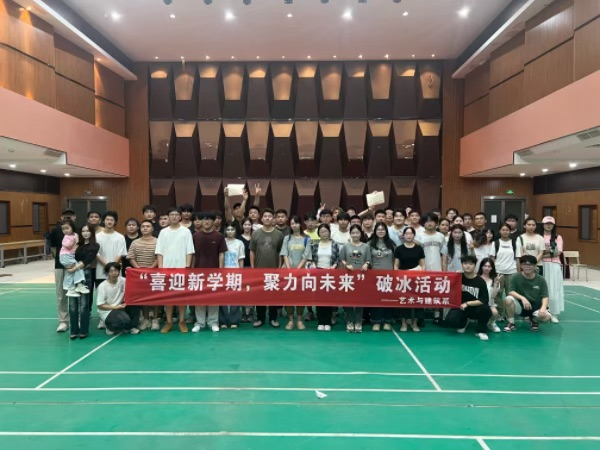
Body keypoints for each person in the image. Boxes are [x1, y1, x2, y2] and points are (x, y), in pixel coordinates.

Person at [155, 207, 195, 333]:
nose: (174, 216)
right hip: (167, 269)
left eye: (176, 214)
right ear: (168, 217)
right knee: (168, 297)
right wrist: (161, 268)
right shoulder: (163, 232)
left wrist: (187, 266)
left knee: (182, 297)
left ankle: (182, 322)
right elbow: (159, 252)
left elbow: (190, 251)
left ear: (180, 217)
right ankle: (169, 322)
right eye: (171, 214)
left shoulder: (186, 231)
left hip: (182, 268)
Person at [191, 211, 227, 332]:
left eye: (209, 219)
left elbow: (221, 254)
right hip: (198, 272)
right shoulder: (195, 236)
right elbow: (192, 254)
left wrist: (220, 270)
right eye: (204, 219)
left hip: (214, 273)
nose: (206, 222)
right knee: (199, 298)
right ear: (200, 221)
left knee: (213, 297)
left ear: (213, 221)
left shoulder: (219, 236)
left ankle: (213, 322)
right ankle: (200, 323)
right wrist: (191, 269)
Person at [444, 255, 492, 341]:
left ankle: (480, 330)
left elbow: (484, 300)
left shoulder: (480, 281)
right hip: (461, 308)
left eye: (471, 264)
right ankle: (463, 323)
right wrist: (455, 276)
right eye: (465, 263)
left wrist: (468, 303)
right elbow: (447, 287)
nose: (468, 266)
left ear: (475, 265)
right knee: (450, 320)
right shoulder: (458, 277)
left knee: (486, 309)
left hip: (475, 308)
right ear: (462, 264)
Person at [251, 208, 284, 328]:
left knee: (273, 295)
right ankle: (260, 318)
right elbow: (252, 251)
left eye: (270, 216)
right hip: (259, 270)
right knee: (259, 295)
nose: (267, 218)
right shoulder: (256, 233)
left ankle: (273, 318)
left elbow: (280, 252)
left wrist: (279, 267)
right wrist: (253, 268)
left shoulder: (278, 234)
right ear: (262, 218)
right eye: (265, 216)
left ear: (273, 219)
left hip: (274, 270)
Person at [304, 223, 341, 331]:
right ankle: (321, 321)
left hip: (330, 273)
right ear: (318, 233)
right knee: (319, 298)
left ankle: (327, 322)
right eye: (321, 232)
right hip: (318, 273)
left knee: (329, 299)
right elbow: (311, 258)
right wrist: (313, 265)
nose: (324, 233)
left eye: (325, 231)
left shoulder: (334, 244)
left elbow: (338, 258)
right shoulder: (315, 245)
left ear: (329, 232)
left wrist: (334, 266)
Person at [504, 255, 552, 332]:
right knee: (508, 299)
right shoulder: (515, 277)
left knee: (546, 318)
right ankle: (511, 323)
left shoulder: (541, 279)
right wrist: (523, 298)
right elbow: (510, 291)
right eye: (525, 264)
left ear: (535, 266)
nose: (527, 267)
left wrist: (543, 308)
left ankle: (534, 320)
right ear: (521, 266)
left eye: (530, 264)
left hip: (536, 306)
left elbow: (545, 296)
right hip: (521, 305)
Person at [95, 211, 127, 329]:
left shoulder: (120, 237)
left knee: (117, 295)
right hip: (101, 271)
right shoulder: (97, 236)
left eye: (112, 220)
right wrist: (107, 266)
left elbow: (121, 253)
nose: (109, 222)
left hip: (115, 272)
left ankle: (115, 315)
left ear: (115, 222)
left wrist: (112, 267)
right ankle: (102, 319)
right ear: (103, 221)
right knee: (102, 296)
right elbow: (96, 253)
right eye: (107, 219)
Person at [68, 224, 99, 340]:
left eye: (88, 231)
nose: (85, 233)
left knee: (84, 304)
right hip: (72, 276)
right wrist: (69, 267)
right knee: (72, 305)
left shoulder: (95, 246)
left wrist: (75, 268)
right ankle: (74, 330)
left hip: (86, 274)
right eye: (83, 231)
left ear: (92, 233)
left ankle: (84, 330)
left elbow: (87, 260)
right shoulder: (76, 245)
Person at [339, 224, 371, 333]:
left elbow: (368, 260)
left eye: (357, 232)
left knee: (359, 300)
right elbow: (342, 259)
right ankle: (349, 321)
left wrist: (366, 264)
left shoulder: (366, 246)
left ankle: (358, 322)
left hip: (361, 277)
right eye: (353, 233)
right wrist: (346, 265)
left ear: (360, 234)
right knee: (348, 300)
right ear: (350, 234)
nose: (355, 235)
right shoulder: (345, 246)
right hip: (348, 277)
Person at [49, 208, 77, 332]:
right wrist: (62, 260)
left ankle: (77, 319)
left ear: (75, 217)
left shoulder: (78, 231)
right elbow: (53, 248)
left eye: (70, 216)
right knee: (61, 295)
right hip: (60, 266)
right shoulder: (56, 231)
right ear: (61, 218)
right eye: (65, 216)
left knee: (76, 293)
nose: (68, 218)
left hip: (75, 266)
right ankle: (63, 321)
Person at [127, 220, 158, 330]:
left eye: (148, 226)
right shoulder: (135, 242)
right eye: (143, 226)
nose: (145, 228)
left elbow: (160, 256)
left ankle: (155, 319)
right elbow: (131, 257)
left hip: (154, 274)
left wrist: (151, 268)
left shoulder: (158, 241)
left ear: (152, 229)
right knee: (144, 297)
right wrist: (138, 269)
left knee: (155, 297)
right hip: (139, 274)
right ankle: (146, 319)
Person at [280, 215, 309, 330]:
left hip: (301, 273)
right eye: (292, 223)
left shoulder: (306, 238)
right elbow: (284, 254)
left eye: (296, 223)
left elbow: (306, 256)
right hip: (287, 272)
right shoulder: (287, 238)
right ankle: (291, 320)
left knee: (301, 297)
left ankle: (300, 320)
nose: (294, 225)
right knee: (288, 297)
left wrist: (297, 270)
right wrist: (289, 269)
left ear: (300, 224)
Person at [394, 226, 425, 332]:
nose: (408, 235)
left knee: (417, 301)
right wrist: (397, 276)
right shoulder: (399, 249)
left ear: (414, 235)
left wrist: (421, 276)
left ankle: (414, 323)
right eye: (406, 233)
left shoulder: (419, 248)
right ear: (403, 235)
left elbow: (422, 264)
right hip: (404, 280)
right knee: (404, 300)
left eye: (411, 233)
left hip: (416, 279)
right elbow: (396, 265)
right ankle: (404, 323)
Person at [97, 262, 141, 335]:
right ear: (107, 273)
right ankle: (109, 327)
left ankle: (132, 327)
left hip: (120, 307)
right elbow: (100, 306)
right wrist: (116, 307)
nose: (114, 273)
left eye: (116, 270)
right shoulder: (102, 286)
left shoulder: (123, 280)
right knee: (123, 320)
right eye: (111, 271)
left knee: (135, 304)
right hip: (108, 311)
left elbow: (133, 287)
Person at [368, 222, 396, 331]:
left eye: (383, 229)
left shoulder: (391, 244)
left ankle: (387, 321)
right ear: (375, 231)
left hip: (389, 276)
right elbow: (367, 260)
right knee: (376, 299)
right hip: (374, 276)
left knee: (388, 299)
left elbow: (395, 260)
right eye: (378, 229)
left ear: (386, 231)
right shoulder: (370, 244)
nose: (380, 231)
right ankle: (376, 321)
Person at [490, 223, 518, 322]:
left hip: (512, 271)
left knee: (511, 293)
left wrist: (518, 272)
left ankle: (509, 313)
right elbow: (492, 258)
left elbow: (518, 258)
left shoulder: (514, 243)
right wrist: (492, 272)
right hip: (498, 272)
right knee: (498, 294)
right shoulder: (495, 243)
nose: (505, 232)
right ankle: (500, 313)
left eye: (507, 230)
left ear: (510, 231)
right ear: (499, 231)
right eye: (503, 230)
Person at [219, 224, 245, 329]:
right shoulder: (222, 241)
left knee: (235, 297)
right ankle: (223, 321)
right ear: (225, 231)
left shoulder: (239, 243)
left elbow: (241, 259)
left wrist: (241, 273)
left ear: (235, 231)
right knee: (222, 298)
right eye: (228, 229)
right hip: (223, 274)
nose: (230, 231)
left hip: (235, 273)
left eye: (232, 229)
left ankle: (234, 321)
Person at [58, 219, 89, 297]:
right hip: (65, 256)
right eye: (63, 229)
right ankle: (79, 284)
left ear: (72, 227)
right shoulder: (66, 237)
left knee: (71, 272)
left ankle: (70, 289)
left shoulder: (75, 235)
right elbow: (68, 246)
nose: (65, 230)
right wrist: (73, 241)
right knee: (78, 267)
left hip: (70, 256)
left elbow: (78, 243)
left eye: (67, 228)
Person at [541, 216, 563, 324]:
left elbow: (557, 252)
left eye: (551, 224)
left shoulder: (557, 237)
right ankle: (542, 311)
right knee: (541, 289)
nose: (548, 225)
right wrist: (548, 252)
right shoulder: (539, 237)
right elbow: (537, 252)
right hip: (541, 265)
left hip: (554, 265)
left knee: (554, 290)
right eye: (546, 223)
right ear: (543, 225)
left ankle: (554, 313)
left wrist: (543, 253)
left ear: (553, 225)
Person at [477, 258, 502, 333]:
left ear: (492, 268)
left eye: (489, 266)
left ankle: (491, 323)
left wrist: (496, 285)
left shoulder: (495, 279)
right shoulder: (476, 277)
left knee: (495, 312)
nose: (487, 268)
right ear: (481, 267)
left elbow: (493, 296)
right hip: (476, 302)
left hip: (489, 303)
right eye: (485, 266)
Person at [238, 217, 255, 323]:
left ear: (251, 226)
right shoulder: (238, 239)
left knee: (253, 291)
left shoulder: (255, 238)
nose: (247, 227)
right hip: (242, 267)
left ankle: (252, 313)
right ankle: (244, 313)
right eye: (245, 224)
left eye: (249, 224)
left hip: (253, 267)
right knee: (243, 291)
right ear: (242, 226)